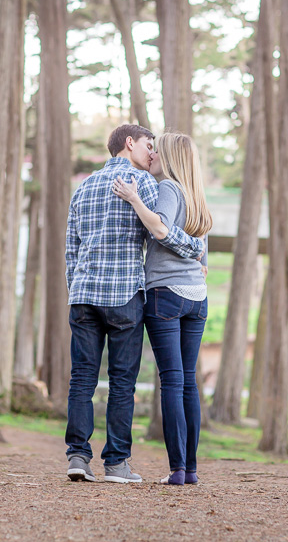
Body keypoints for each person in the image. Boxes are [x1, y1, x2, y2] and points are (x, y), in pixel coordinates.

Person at [64, 124, 205, 484]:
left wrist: (75, 289)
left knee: (81, 378)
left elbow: (71, 247)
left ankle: (78, 457)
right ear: (130, 143)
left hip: (83, 295)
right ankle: (116, 463)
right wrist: (197, 252)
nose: (152, 152)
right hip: (124, 294)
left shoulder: (83, 187)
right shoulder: (144, 184)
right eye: (148, 144)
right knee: (122, 381)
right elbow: (160, 232)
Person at [112, 131, 212, 486]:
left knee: (171, 380)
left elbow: (160, 229)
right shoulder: (197, 194)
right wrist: (199, 260)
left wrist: (135, 199)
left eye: (157, 150)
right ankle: (192, 469)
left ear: (169, 156)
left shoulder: (169, 187)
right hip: (196, 296)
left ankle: (178, 468)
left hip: (166, 293)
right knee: (188, 383)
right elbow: (202, 249)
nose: (150, 155)